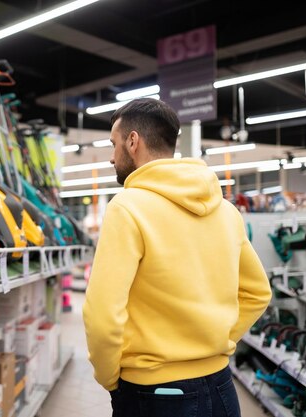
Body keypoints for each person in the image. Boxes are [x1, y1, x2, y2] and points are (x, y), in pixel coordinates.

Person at [82, 98, 272, 417]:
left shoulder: (127, 207)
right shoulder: (226, 211)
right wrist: (215, 341)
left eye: (113, 145)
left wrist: (109, 377)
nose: (111, 158)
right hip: (222, 388)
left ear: (133, 141)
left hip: (155, 393)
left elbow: (102, 314)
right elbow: (257, 293)